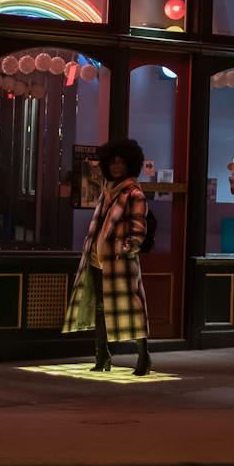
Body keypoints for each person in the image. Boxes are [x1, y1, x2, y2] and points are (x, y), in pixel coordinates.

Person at [63, 137, 153, 376]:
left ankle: (143, 356)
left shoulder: (133, 193)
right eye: (112, 163)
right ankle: (102, 355)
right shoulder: (107, 191)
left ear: (130, 165)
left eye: (121, 163)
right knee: (101, 308)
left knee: (132, 308)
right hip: (97, 257)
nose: (115, 167)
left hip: (119, 260)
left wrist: (128, 246)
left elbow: (138, 226)